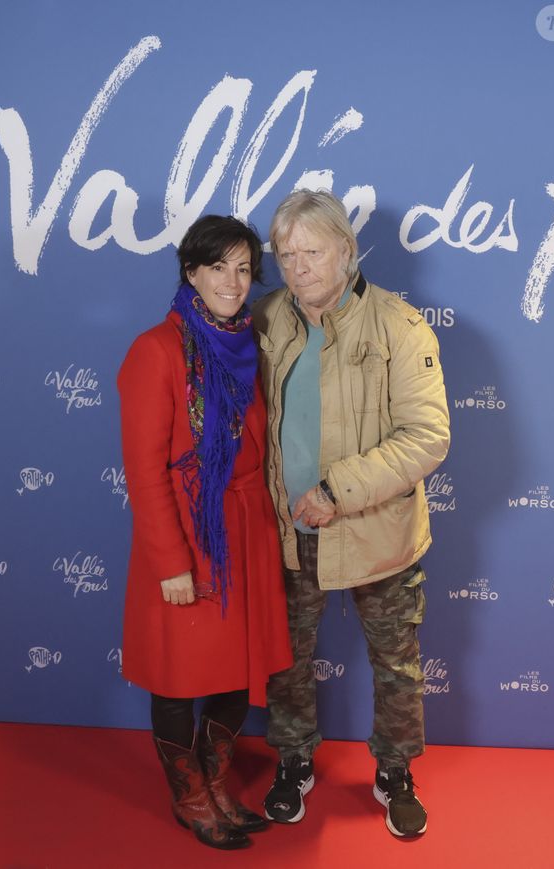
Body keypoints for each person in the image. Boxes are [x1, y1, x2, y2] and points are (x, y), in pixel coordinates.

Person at [252, 190, 450, 838]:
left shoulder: (399, 325)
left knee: (396, 662)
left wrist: (338, 490)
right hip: (289, 531)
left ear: (345, 249)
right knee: (286, 658)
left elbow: (427, 436)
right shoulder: (267, 319)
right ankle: (293, 759)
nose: (299, 266)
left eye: (312, 251)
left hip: (376, 531)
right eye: (286, 254)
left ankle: (396, 772)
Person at [118, 215, 293, 851]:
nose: (233, 281)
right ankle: (190, 797)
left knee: (232, 669)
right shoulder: (155, 350)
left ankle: (218, 785)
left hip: (246, 530)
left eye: (245, 269)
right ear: (191, 272)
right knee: (179, 675)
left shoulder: (250, 343)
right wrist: (171, 562)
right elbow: (144, 470)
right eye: (218, 267)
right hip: (189, 537)